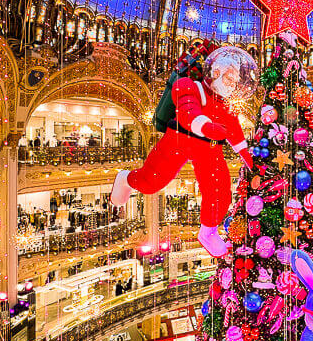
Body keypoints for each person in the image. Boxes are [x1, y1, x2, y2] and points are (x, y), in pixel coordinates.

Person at [110, 46, 257, 258]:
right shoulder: (188, 85)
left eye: (235, 81)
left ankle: (208, 232)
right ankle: (126, 179)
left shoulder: (225, 105)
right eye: (230, 78)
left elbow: (237, 136)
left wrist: (251, 161)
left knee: (220, 190)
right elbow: (188, 110)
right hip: (179, 139)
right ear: (216, 72)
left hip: (210, 146)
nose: (231, 85)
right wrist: (206, 126)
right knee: (152, 181)